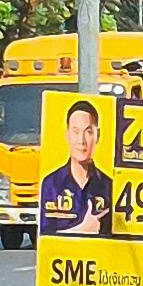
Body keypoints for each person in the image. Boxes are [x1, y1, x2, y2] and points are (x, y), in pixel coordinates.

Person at [38, 97, 116, 238]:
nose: (82, 141)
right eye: (76, 131)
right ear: (67, 135)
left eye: (88, 132)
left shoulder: (110, 187)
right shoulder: (51, 184)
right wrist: (82, 230)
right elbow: (45, 240)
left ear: (98, 136)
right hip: (62, 259)